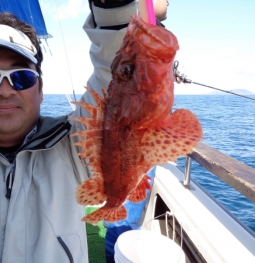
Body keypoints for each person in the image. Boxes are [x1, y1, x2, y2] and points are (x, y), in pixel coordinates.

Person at [0, 1, 153, 262]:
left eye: (22, 76)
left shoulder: (73, 146)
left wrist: (112, 7)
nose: (5, 90)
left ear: (40, 90)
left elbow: (117, 71)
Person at [87, 1, 170, 262]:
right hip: (138, 130)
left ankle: (115, 243)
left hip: (139, 127)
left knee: (127, 198)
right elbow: (159, 7)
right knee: (124, 215)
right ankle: (115, 247)